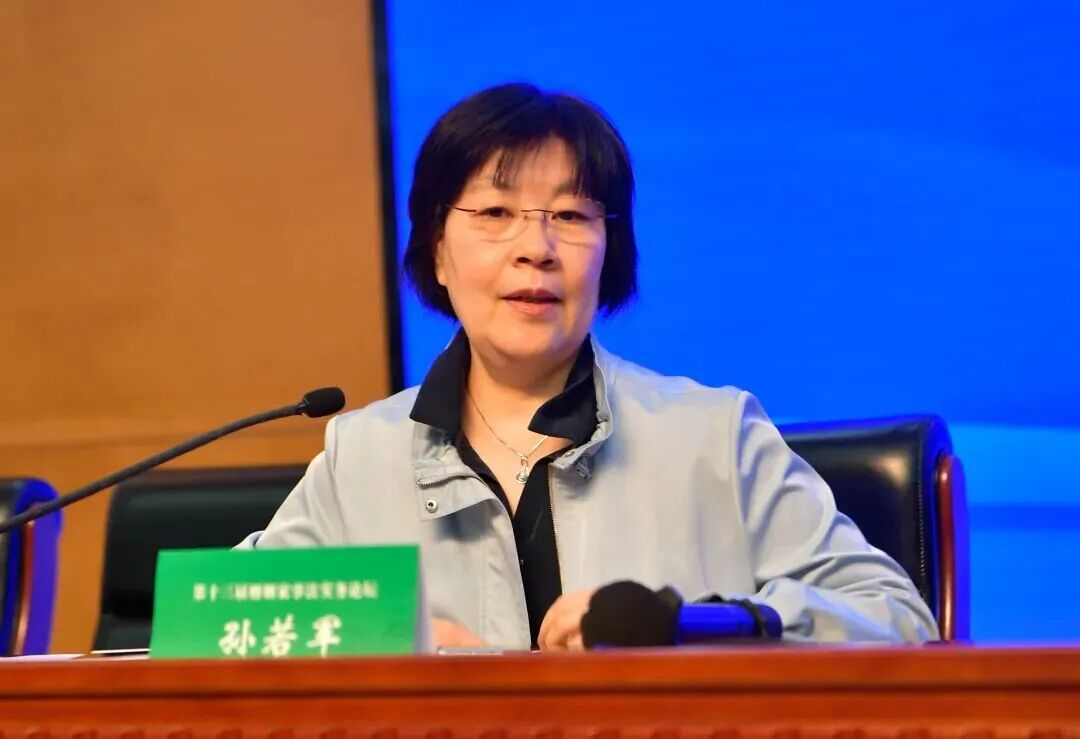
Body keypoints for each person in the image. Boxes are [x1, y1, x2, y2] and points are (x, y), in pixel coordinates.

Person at [238, 83, 938, 650]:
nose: (536, 247)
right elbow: (226, 625)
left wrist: (688, 624)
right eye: (495, 211)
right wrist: (391, 634)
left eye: (571, 216)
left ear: (611, 253)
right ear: (439, 252)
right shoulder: (363, 455)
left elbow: (898, 618)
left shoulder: (716, 435)